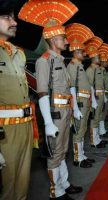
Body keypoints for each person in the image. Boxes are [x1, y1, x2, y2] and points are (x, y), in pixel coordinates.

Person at [19, 1, 82, 199]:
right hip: (54, 114)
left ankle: (64, 183)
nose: (66, 41)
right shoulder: (43, 60)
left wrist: (74, 109)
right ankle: (57, 192)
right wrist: (47, 122)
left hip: (65, 112)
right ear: (53, 39)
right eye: (63, 37)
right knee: (54, 155)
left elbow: (68, 89)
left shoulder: (61, 62)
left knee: (62, 151)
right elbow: (43, 92)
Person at [0, 1, 34, 199]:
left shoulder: (18, 54)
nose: (14, 22)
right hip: (4, 133)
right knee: (8, 189)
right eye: (7, 18)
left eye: (14, 18)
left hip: (25, 128)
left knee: (22, 187)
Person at [65, 23, 97, 168]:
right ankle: (78, 159)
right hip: (79, 101)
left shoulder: (79, 66)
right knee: (78, 130)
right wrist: (75, 108)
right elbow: (72, 87)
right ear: (76, 51)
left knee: (82, 129)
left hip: (85, 101)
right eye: (82, 51)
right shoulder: (72, 66)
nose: (84, 53)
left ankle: (82, 155)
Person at [85, 37, 108, 149]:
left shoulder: (98, 69)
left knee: (98, 118)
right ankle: (94, 141)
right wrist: (93, 100)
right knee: (94, 119)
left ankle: (97, 139)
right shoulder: (90, 70)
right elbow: (90, 85)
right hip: (95, 98)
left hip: (100, 97)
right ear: (93, 57)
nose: (99, 58)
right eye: (97, 56)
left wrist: (103, 97)